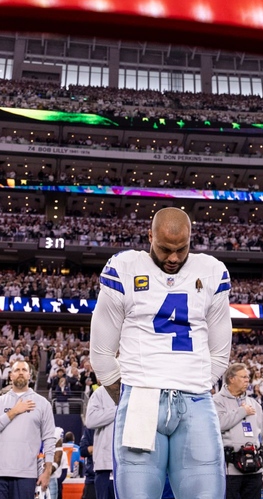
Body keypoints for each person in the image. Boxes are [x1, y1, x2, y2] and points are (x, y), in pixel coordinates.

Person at [89, 206, 232, 499]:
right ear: (149, 237)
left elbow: (220, 353)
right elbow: (101, 353)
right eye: (166, 249)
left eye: (182, 249)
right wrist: (132, 394)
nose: (174, 258)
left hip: (196, 399)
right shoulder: (125, 267)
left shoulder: (212, 271)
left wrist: (196, 384)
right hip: (141, 398)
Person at [0, 360, 57, 499]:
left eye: (24, 370)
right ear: (11, 376)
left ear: (30, 375)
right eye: (17, 370)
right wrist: (13, 412)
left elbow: (49, 438)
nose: (20, 372)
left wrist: (47, 470)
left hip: (26, 473)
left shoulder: (42, 403)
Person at [214, 362, 263, 499]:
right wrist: (242, 411)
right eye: (243, 377)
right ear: (231, 379)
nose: (247, 380)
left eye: (248, 377)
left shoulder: (254, 404)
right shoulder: (216, 401)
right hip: (229, 472)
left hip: (254, 470)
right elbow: (218, 424)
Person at [84, 383, 118, 499]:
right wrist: (118, 410)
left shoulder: (132, 391)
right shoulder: (100, 393)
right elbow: (90, 420)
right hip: (106, 466)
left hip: (129, 465)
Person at [77, 426, 97, 499]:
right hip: (92, 479)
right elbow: (83, 450)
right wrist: (102, 448)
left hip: (115, 479)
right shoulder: (91, 427)